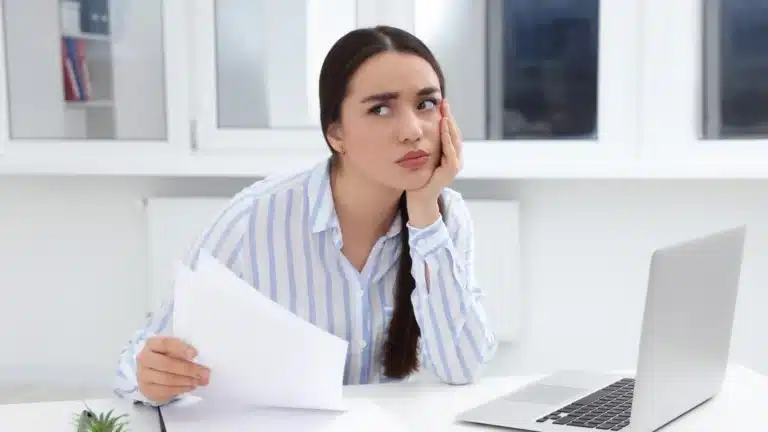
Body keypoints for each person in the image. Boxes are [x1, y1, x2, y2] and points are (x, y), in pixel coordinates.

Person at [113, 25, 498, 406]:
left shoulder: (444, 218)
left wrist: (425, 216)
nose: (413, 131)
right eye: (380, 109)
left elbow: (461, 368)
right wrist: (152, 377)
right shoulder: (254, 220)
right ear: (336, 134)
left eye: (426, 104)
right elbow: (136, 367)